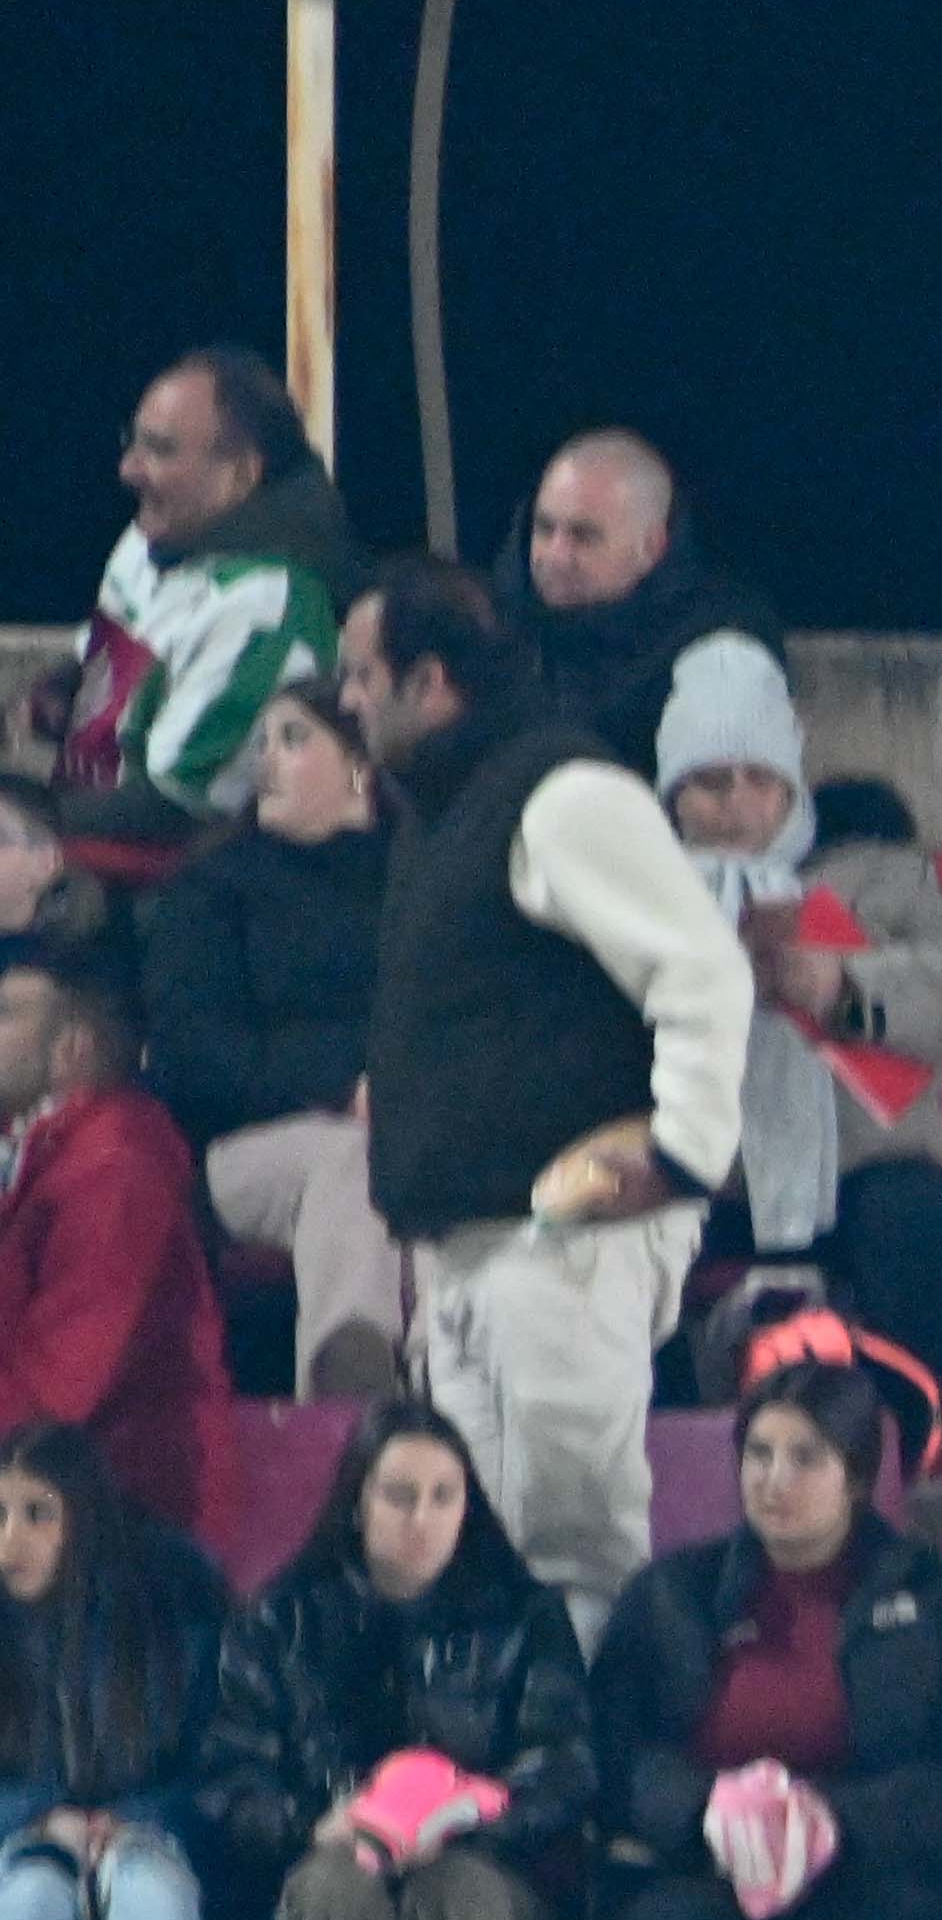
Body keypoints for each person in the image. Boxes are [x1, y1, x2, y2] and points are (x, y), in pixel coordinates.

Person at [333, 553, 748, 1609]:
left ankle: (576, 1776)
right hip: (475, 1245)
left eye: (359, 675)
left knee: (570, 1550)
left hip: (563, 1247)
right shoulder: (446, 807)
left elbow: (701, 967)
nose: (343, 699)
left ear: (431, 682)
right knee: (480, 1560)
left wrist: (683, 1149)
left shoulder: (563, 795)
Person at [582, 1350, 942, 1920]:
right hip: (705, 1874)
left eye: (804, 1458)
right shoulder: (672, 1597)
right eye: (758, 1454)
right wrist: (703, 1807)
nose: (773, 1479)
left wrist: (831, 1819)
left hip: (874, 1886)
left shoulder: (939, 1605)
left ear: (855, 1477)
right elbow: (613, 1753)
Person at [207, 1399, 589, 1920]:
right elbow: (231, 1780)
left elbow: (564, 1768)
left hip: (489, 1872)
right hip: (325, 1866)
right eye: (400, 1496)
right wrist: (311, 1826)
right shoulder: (277, 1621)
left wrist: (471, 1817)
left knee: (457, 1893)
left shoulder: (525, 1617)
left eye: (444, 1498)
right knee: (336, 1893)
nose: (422, 1518)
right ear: (357, 1503)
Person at [648, 634, 942, 1413]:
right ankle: (678, 1460)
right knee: (608, 1244)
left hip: (858, 1163)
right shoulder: (638, 892)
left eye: (758, 782)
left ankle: (884, 1445)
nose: (737, 804)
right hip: (699, 1169)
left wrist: (843, 985)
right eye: (710, 784)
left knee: (927, 1228)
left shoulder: (882, 873)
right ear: (673, 799)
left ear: (790, 791)